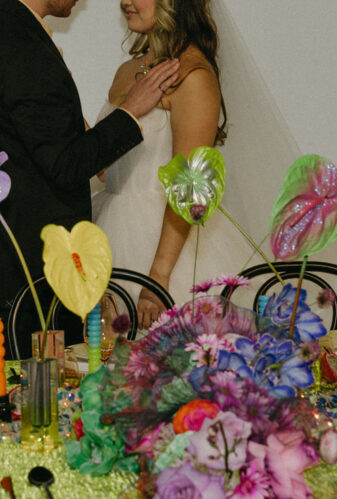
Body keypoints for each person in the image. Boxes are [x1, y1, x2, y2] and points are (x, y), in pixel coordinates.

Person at [0, 0, 180, 359]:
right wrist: (130, 111)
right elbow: (67, 165)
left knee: (21, 396)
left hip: (0, 260)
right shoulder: (23, 43)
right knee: (49, 403)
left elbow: (34, 146)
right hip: (40, 271)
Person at [92, 0, 257, 327]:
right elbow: (107, 172)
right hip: (108, 232)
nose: (125, 1)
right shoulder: (128, 71)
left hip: (164, 250)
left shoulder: (193, 75)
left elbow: (191, 188)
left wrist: (157, 279)